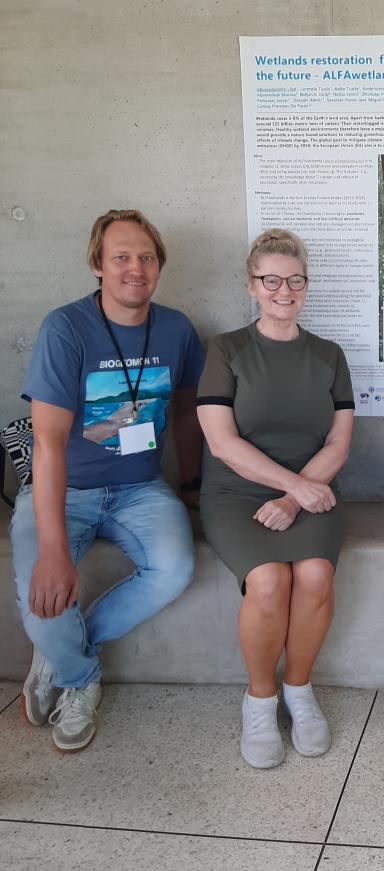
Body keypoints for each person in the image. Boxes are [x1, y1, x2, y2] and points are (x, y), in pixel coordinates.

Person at [14, 208, 204, 752]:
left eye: (146, 257)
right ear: (97, 265)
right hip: (64, 488)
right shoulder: (66, 327)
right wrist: (53, 551)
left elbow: (189, 415)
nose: (135, 268)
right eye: (121, 257)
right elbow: (48, 444)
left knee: (176, 567)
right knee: (43, 602)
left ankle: (65, 656)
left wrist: (191, 486)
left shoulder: (176, 328)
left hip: (140, 488)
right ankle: (81, 678)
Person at [197, 229, 354, 769]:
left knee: (314, 574)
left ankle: (299, 691)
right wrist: (292, 488)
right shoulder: (227, 349)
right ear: (251, 285)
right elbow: (222, 443)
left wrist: (296, 496)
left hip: (312, 489)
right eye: (271, 280)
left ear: (307, 286)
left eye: (295, 280)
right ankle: (260, 702)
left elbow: (338, 442)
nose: (283, 290)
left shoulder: (330, 356)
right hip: (236, 491)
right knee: (268, 579)